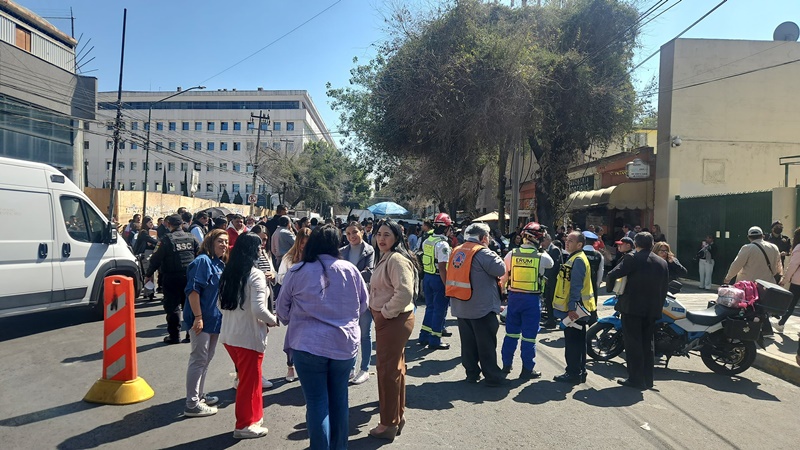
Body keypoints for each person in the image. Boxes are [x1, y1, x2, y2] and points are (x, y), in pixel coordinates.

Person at [277, 225, 369, 450]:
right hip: (344, 345)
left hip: (307, 346)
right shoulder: (350, 269)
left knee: (317, 402)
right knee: (339, 401)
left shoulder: (297, 271)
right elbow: (363, 304)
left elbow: (281, 310)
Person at [219, 233, 278, 439]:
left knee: (249, 380)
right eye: (260, 247)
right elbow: (259, 309)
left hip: (229, 335)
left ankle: (253, 417)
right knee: (249, 382)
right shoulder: (255, 275)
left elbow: (220, 304)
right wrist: (273, 320)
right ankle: (244, 425)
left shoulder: (228, 273)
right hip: (248, 338)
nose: (262, 250)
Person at [367, 220, 417, 440]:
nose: (381, 239)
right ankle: (396, 416)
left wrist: (385, 313)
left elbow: (405, 292)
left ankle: (388, 423)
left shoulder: (396, 259)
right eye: (379, 234)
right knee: (395, 370)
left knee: (387, 372)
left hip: (393, 319)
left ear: (397, 237)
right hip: (390, 318)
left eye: (387, 235)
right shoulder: (386, 257)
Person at [446, 222, 508, 387]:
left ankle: (471, 374)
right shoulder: (483, 253)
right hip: (481, 307)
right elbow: (500, 269)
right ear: (483, 238)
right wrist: (492, 250)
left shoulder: (457, 250)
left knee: (468, 344)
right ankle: (493, 377)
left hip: (461, 305)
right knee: (486, 344)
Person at [607, 232, 669, 390]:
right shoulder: (662, 262)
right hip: (652, 309)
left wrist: (613, 290)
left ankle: (635, 379)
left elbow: (613, 274)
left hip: (632, 308)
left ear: (636, 244)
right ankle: (647, 379)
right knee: (648, 344)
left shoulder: (632, 258)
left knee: (633, 344)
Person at [182, 229, 228, 417]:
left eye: (226, 242)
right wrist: (198, 317)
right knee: (198, 359)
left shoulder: (219, 263)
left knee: (206, 359)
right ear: (210, 241)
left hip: (214, 319)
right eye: (220, 241)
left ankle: (199, 395)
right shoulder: (202, 261)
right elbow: (193, 291)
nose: (224, 245)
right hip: (202, 319)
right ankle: (192, 404)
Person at [499, 222, 553, 379]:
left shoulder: (511, 254)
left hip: (514, 299)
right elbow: (551, 264)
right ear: (537, 239)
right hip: (531, 300)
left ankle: (506, 365)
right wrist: (541, 249)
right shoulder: (542, 257)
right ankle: (527, 369)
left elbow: (503, 277)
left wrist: (504, 294)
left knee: (511, 334)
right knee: (529, 337)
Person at [144, 215, 198, 344]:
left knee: (172, 307)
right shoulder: (191, 238)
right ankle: (191, 334)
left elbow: (155, 259)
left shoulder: (166, 240)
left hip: (171, 277)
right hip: (189, 277)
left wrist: (148, 274)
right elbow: (200, 254)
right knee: (189, 306)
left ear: (169, 224)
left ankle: (174, 336)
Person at [552, 231, 596, 384]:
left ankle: (573, 372)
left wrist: (571, 308)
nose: (566, 242)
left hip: (576, 309)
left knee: (573, 342)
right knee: (578, 340)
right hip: (578, 307)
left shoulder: (577, 260)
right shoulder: (575, 257)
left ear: (579, 245)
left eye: (571, 240)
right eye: (567, 239)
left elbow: (575, 286)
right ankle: (579, 371)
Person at [340, 222, 376, 386]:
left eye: (354, 232)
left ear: (362, 232)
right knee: (349, 335)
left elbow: (369, 273)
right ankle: (351, 367)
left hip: (363, 298)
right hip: (346, 300)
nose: (351, 236)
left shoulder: (369, 250)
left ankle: (364, 369)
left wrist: (348, 274)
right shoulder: (341, 252)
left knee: (364, 335)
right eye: (348, 233)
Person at [277, 227, 312, 382]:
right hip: (293, 302)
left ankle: (305, 366)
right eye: (302, 242)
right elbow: (279, 277)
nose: (304, 245)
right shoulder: (289, 258)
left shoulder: (314, 258)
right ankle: (290, 366)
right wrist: (292, 280)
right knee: (292, 335)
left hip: (310, 302)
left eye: (307, 242)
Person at [417, 213, 453, 350]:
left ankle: (424, 335)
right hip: (438, 278)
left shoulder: (428, 241)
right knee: (439, 309)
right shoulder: (443, 244)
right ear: (446, 228)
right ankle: (435, 339)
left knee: (430, 308)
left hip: (428, 277)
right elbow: (443, 268)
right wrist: (447, 285)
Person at [776, 227, 800, 333]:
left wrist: (784, 280)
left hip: (797, 281)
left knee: (791, 304)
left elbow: (793, 266)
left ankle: (781, 324)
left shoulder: (798, 248)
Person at [541, 233, 563, 329]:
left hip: (554, 280)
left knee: (552, 300)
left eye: (544, 240)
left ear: (549, 240)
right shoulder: (545, 250)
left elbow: (554, 266)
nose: (542, 243)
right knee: (548, 300)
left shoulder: (554, 250)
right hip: (547, 281)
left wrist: (546, 277)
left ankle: (552, 320)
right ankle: (550, 319)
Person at [581, 231, 605, 306]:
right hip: (592, 282)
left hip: (580, 283)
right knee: (592, 304)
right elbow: (600, 271)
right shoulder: (599, 255)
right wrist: (597, 284)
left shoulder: (579, 253)